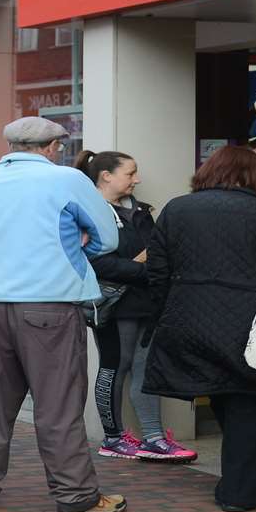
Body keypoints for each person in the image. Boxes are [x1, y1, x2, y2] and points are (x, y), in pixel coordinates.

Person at [0, 117, 127, 512]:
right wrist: (71, 253)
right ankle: (77, 497)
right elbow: (108, 238)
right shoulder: (65, 180)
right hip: (49, 304)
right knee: (58, 406)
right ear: (53, 146)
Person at [145, 145, 256, 512]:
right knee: (250, 402)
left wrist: (167, 312)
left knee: (222, 393)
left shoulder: (176, 209)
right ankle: (239, 494)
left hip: (188, 322)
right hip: (251, 325)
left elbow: (156, 271)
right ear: (254, 175)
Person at [78, 151, 196, 463]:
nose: (137, 179)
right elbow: (95, 262)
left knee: (146, 369)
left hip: (148, 303)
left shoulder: (142, 212)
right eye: (130, 173)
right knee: (115, 367)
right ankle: (113, 438)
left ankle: (154, 438)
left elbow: (159, 253)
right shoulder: (88, 211)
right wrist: (143, 268)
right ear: (106, 176)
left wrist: (149, 269)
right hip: (112, 306)